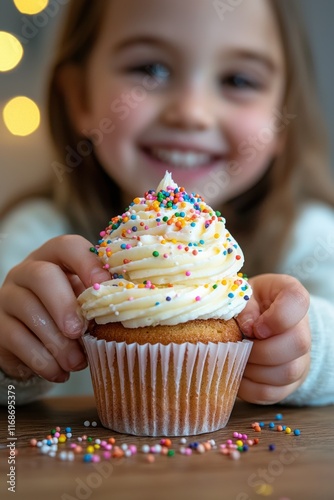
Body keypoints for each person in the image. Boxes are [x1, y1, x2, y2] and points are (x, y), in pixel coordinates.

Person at [1, 0, 334, 406]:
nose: (191, 113)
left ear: (283, 116)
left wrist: (308, 347)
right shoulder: (36, 236)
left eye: (239, 79)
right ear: (79, 98)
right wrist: (11, 359)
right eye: (150, 70)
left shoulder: (309, 236)